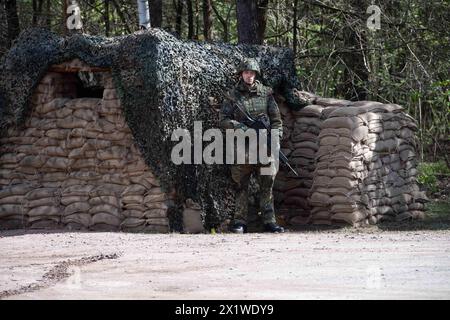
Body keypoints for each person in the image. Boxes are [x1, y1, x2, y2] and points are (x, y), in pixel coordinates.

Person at [220, 58, 285, 234]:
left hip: (265, 148)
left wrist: (275, 138)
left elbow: (276, 121)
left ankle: (269, 221)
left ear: (256, 74)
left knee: (267, 184)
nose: (249, 76)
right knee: (241, 185)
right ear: (241, 74)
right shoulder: (232, 95)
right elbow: (223, 121)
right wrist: (241, 127)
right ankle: (240, 222)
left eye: (252, 73)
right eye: (246, 72)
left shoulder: (266, 94)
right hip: (243, 149)